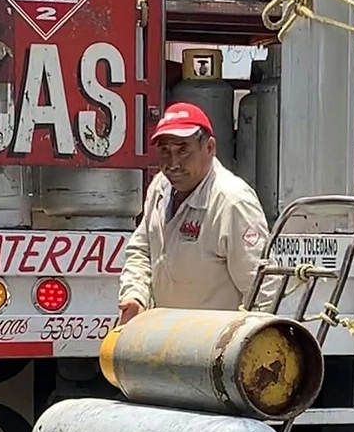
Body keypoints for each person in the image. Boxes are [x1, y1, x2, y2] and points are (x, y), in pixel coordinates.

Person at [117, 102, 274, 324]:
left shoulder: (232, 201)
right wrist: (136, 295)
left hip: (216, 346)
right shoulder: (161, 186)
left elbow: (262, 290)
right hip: (167, 339)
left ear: (209, 148)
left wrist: (249, 345)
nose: (173, 163)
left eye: (183, 150)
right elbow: (142, 250)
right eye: (165, 151)